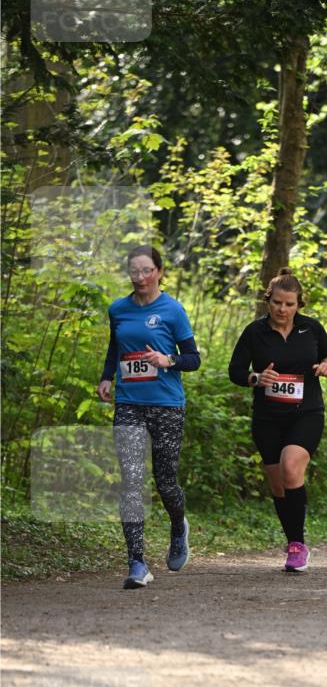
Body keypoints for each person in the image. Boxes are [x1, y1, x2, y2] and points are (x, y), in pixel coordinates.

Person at [97, 246, 201, 588]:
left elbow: (193, 359)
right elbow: (116, 348)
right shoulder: (118, 309)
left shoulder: (172, 310)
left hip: (167, 405)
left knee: (166, 481)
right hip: (129, 403)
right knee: (130, 481)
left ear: (159, 271)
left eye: (146, 271)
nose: (140, 278)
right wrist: (106, 377)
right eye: (134, 271)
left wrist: (167, 360)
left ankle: (177, 526)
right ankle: (137, 562)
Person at [228, 269, 327, 572]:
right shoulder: (254, 331)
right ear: (268, 301)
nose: (282, 309)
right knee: (278, 485)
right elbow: (235, 370)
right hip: (267, 418)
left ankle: (298, 545)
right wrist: (256, 377)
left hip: (307, 412)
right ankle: (292, 541)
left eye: (289, 304)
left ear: (299, 304)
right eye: (277, 303)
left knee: (291, 468)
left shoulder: (312, 329)